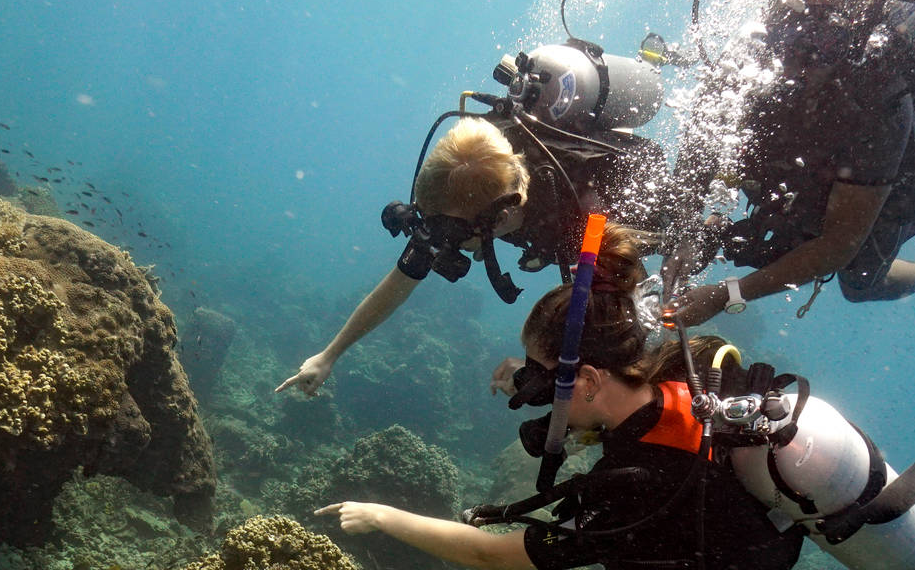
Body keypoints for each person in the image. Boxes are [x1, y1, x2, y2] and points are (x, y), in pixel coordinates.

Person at [316, 270, 865, 570]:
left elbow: (489, 552)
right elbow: (617, 414)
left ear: (589, 380)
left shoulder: (630, 490)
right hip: (761, 508)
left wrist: (383, 516)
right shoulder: (681, 370)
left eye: (540, 372)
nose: (532, 386)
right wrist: (535, 383)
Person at [662, 0, 915, 323]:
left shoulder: (879, 96)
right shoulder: (743, 67)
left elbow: (838, 245)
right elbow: (705, 165)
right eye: (794, 28)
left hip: (876, 190)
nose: (806, 52)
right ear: (771, 22)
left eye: (826, 32)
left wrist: (727, 295)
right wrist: (690, 233)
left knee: (860, 285)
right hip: (803, 173)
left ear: (858, 28)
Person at [277, 114, 667, 396]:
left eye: (457, 235)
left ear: (503, 215)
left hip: (650, 220)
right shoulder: (461, 197)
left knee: (687, 254)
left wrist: (542, 377)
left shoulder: (585, 224)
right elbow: (398, 285)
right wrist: (329, 355)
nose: (447, 243)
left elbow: (633, 329)